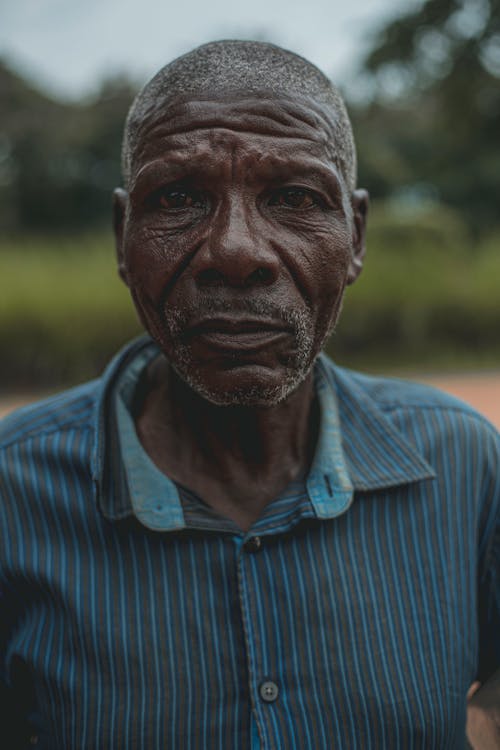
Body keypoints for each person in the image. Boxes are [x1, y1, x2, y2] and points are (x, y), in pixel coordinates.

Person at [0, 40, 498, 749]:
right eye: (178, 198)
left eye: (295, 198)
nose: (237, 252)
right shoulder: (13, 493)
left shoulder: (466, 467)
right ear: (123, 237)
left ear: (354, 237)